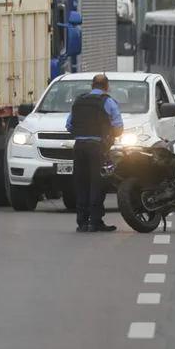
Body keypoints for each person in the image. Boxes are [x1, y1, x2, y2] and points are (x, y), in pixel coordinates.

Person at [66, 74, 124, 233]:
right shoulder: (108, 102)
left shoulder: (79, 101)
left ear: (92, 86)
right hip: (97, 147)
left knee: (82, 183)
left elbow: (69, 125)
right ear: (107, 86)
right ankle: (95, 222)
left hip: (79, 147)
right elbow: (118, 128)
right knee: (97, 184)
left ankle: (82, 223)